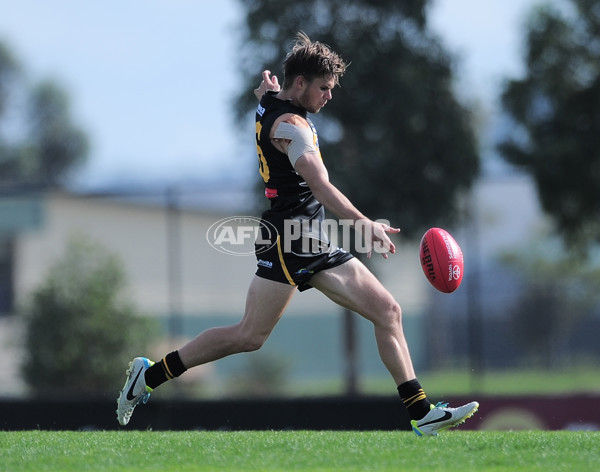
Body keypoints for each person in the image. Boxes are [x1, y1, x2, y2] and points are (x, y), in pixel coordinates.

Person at [117, 32, 478, 436]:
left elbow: (267, 98)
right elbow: (321, 186)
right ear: (301, 83)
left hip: (299, 237)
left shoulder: (273, 104)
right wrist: (363, 223)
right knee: (278, 330)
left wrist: (267, 90)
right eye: (324, 88)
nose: (329, 96)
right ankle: (420, 411)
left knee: (269, 331)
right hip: (296, 240)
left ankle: (147, 378)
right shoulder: (292, 127)